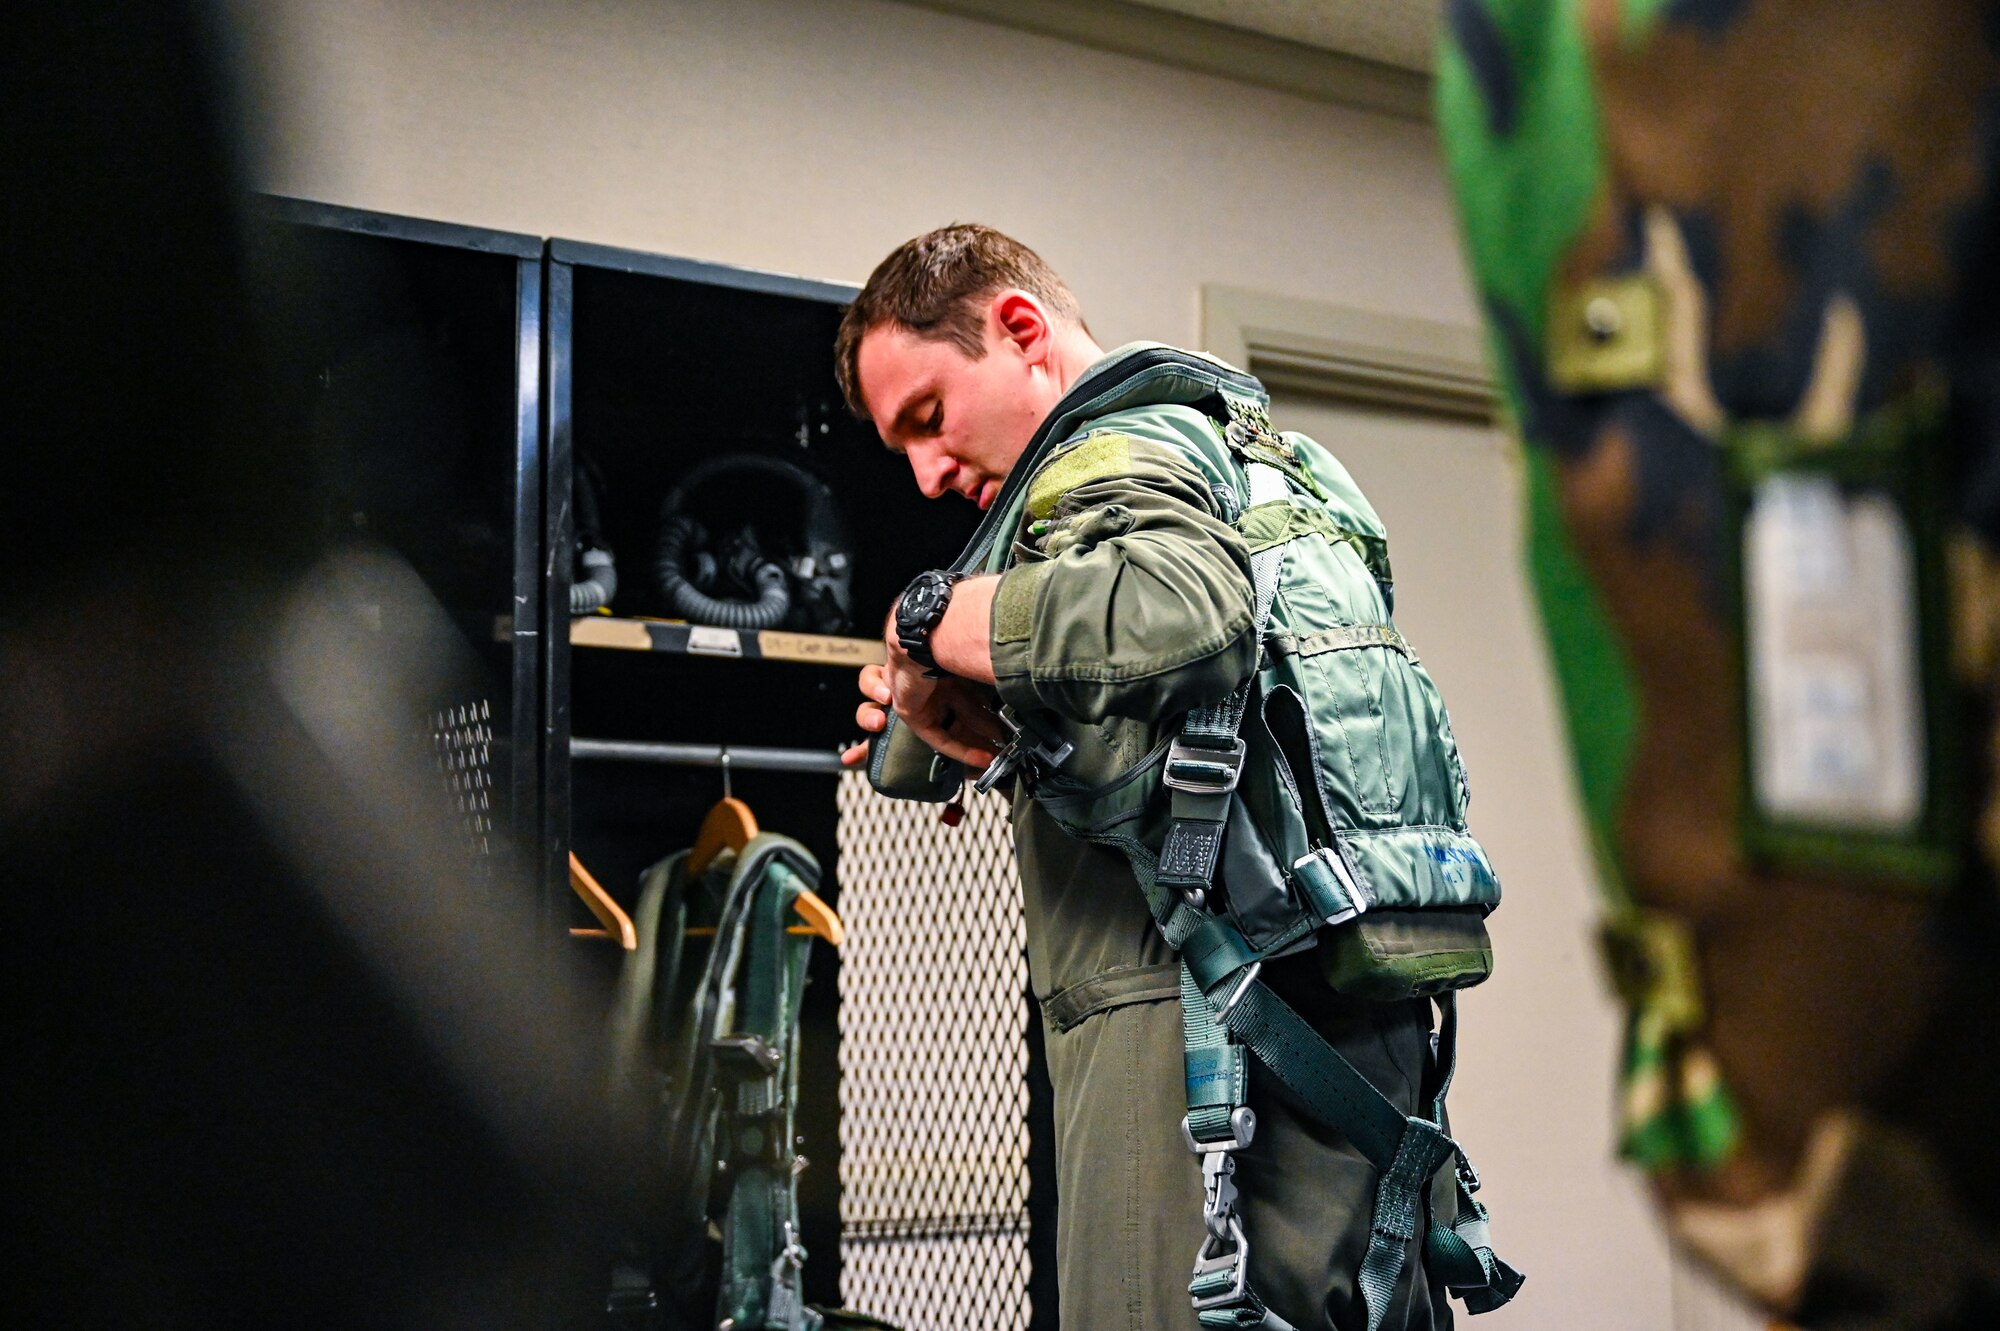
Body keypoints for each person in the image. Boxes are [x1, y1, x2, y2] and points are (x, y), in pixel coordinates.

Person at [834, 224, 1514, 1331]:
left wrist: (930, 617)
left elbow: (1184, 611)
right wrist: (990, 726)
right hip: (1337, 1037)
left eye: (929, 415)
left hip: (1194, 1056)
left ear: (1020, 330)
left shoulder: (1101, 459)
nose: (926, 471)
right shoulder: (1252, 460)